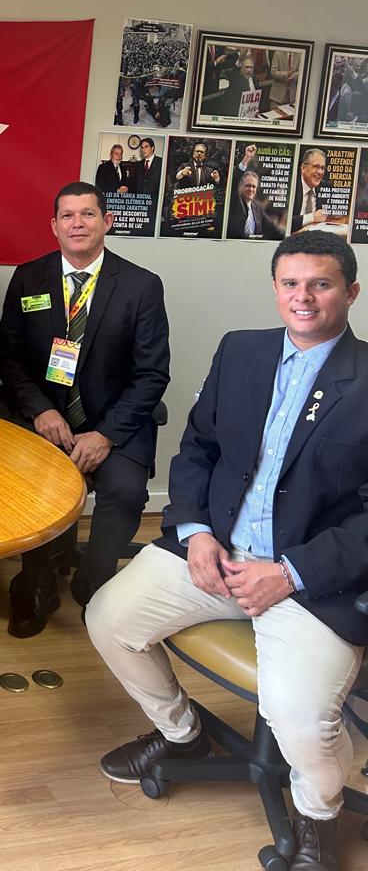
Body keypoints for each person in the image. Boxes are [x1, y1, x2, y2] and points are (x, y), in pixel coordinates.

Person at [87, 231, 368, 871]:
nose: (303, 297)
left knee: (301, 721)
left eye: (320, 284)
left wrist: (290, 572)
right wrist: (196, 534)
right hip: (216, 554)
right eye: (290, 283)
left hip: (311, 582)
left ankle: (318, 817)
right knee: (108, 618)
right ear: (274, 288)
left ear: (350, 291)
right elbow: (196, 452)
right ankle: (182, 738)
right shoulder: (240, 352)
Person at [0, 182, 170, 636]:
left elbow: (152, 374)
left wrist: (105, 434)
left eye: (87, 214)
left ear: (107, 222)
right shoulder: (28, 277)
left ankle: (95, 583)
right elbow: (8, 358)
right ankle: (33, 583)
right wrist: (39, 411)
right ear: (54, 227)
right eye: (67, 216)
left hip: (114, 424)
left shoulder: (141, 286)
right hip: (44, 418)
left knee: (126, 492)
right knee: (32, 486)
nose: (77, 224)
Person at [226, 169, 281, 240]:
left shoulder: (257, 206)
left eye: (254, 186)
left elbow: (271, 227)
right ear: (240, 187)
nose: (251, 189)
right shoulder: (234, 201)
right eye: (248, 186)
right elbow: (234, 181)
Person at [291, 148, 328, 233]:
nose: (320, 172)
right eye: (316, 167)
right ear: (303, 168)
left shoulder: (325, 187)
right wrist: (312, 217)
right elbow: (284, 223)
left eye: (322, 168)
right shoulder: (292, 186)